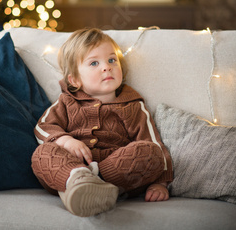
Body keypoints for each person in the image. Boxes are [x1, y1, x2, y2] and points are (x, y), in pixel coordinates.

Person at [31, 28, 173, 217]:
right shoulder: (67, 101)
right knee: (42, 153)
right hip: (69, 169)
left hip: (116, 173)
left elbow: (153, 143)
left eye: (112, 60)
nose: (106, 67)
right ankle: (78, 181)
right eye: (94, 63)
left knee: (150, 152)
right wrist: (66, 141)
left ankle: (94, 185)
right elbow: (42, 127)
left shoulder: (133, 105)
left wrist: (160, 183)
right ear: (75, 80)